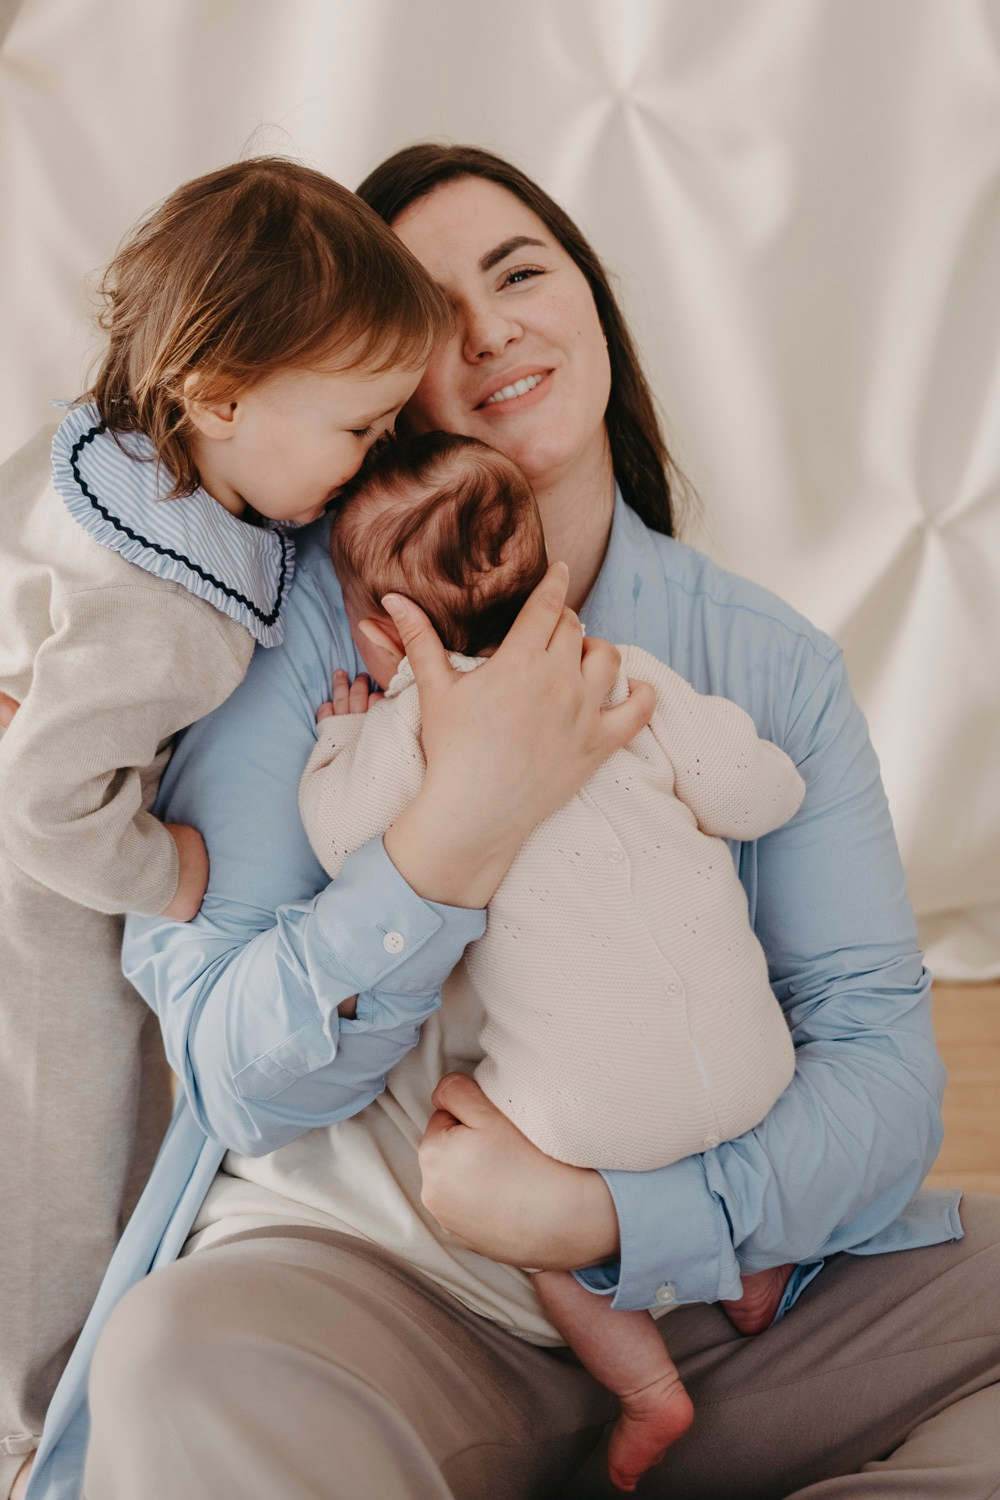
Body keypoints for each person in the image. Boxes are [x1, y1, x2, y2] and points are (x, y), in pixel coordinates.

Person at [22, 144, 996, 1500]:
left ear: (596, 307)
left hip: (719, 1306)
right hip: (385, 1294)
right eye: (430, 311)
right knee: (177, 1363)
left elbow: (881, 1069)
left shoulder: (760, 658)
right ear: (372, 381)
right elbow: (236, 1072)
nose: (489, 330)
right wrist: (456, 833)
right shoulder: (269, 640)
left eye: (522, 271)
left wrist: (605, 1218)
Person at [0, 154, 446, 1500]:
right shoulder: (174, 606)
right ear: (220, 395)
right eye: (358, 427)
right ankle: (38, 1428)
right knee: (70, 1154)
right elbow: (45, 798)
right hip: (44, 897)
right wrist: (172, 866)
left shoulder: (122, 452)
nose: (375, 450)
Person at [299, 426, 806, 1490]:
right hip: (761, 1075)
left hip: (587, 1128)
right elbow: (766, 796)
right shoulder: (624, 674)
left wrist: (342, 742)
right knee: (706, 1078)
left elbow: (344, 845)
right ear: (541, 573)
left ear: (385, 634)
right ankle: (757, 1275)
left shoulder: (414, 727)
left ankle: (643, 1391)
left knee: (466, 1123)